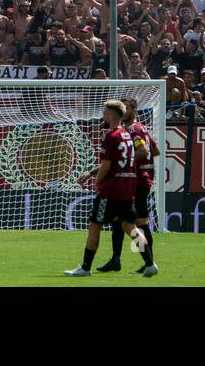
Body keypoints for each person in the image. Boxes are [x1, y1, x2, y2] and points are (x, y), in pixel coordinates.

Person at [65, 100, 147, 277]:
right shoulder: (126, 135)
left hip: (111, 191)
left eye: (105, 111)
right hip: (127, 189)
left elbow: (106, 164)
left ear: (112, 114)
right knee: (130, 227)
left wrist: (97, 182)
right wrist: (91, 174)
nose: (103, 114)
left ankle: (85, 268)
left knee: (95, 226)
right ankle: (149, 263)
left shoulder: (111, 137)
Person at [94, 96, 159, 276]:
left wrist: (126, 161)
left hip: (136, 181)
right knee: (128, 222)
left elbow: (144, 151)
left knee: (132, 224)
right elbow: (155, 150)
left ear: (134, 110)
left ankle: (147, 261)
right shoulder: (140, 129)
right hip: (139, 179)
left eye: (127, 107)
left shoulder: (133, 130)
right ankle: (123, 259)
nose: (125, 109)